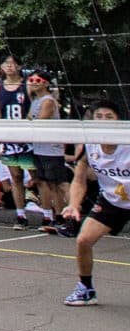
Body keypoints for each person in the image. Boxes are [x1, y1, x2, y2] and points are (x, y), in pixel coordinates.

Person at [63, 101, 127, 306]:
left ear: (119, 121)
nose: (103, 121)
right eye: (98, 116)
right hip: (112, 201)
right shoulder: (90, 145)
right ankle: (86, 289)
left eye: (109, 117)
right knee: (83, 240)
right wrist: (74, 204)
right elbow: (79, 179)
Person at [0, 54, 37, 227]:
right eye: (6, 63)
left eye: (12, 63)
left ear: (18, 66)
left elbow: (45, 97)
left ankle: (49, 211)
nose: (9, 66)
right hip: (8, 137)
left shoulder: (27, 85)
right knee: (15, 176)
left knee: (35, 176)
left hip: (25, 138)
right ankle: (21, 215)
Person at [26, 69, 74, 232]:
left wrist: (32, 121)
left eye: (37, 80)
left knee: (61, 183)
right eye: (31, 79)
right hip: (39, 147)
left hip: (51, 149)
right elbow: (28, 119)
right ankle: (59, 216)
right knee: (49, 184)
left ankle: (73, 212)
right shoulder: (34, 100)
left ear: (45, 83)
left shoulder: (47, 101)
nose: (32, 82)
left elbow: (38, 121)